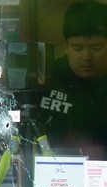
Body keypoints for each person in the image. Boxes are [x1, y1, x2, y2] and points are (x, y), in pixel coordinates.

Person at [39, 0, 107, 160]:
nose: (87, 57)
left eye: (96, 48)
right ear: (66, 47)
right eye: (77, 48)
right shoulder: (46, 80)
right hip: (56, 173)